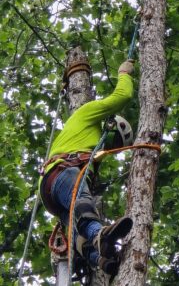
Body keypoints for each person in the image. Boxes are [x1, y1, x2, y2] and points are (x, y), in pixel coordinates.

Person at [39, 60, 134, 276]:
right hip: (62, 172)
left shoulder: (91, 152)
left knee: (74, 227)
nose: (111, 149)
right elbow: (123, 97)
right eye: (114, 143)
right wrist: (124, 73)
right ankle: (99, 234)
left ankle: (99, 260)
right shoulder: (87, 113)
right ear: (111, 127)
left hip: (52, 192)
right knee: (80, 194)